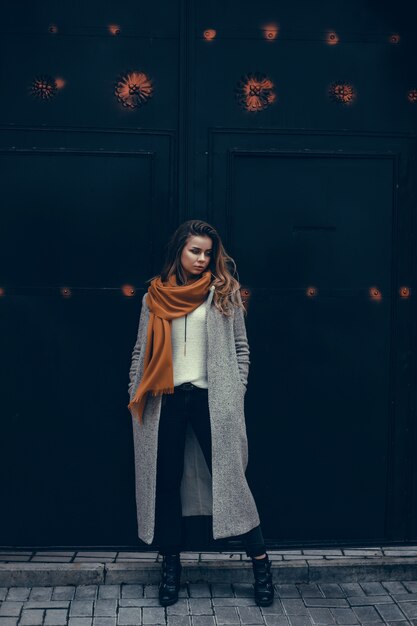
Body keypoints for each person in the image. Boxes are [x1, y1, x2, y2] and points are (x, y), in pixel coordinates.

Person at [127, 219, 274, 607]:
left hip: (213, 400)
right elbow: (140, 353)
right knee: (167, 485)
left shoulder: (224, 294)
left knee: (232, 483)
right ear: (179, 249)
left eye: (208, 252)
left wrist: (236, 391)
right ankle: (171, 568)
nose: (202, 259)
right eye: (195, 251)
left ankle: (261, 564)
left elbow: (242, 349)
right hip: (165, 400)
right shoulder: (153, 298)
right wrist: (133, 392)